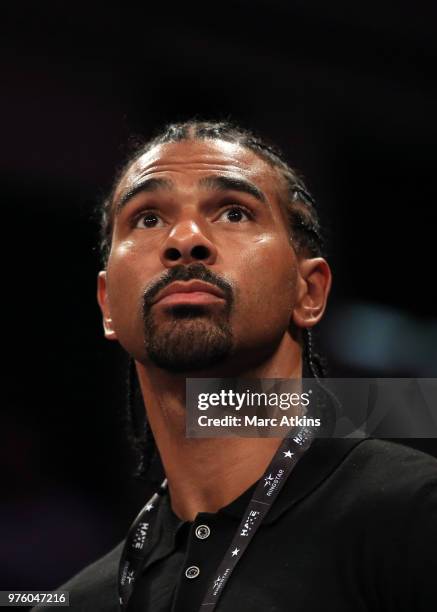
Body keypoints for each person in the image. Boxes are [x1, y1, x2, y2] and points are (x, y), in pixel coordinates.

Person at [33, 120, 437, 611]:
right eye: (147, 219)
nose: (185, 239)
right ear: (107, 307)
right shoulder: (77, 602)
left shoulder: (413, 517)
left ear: (308, 292)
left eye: (232, 212)